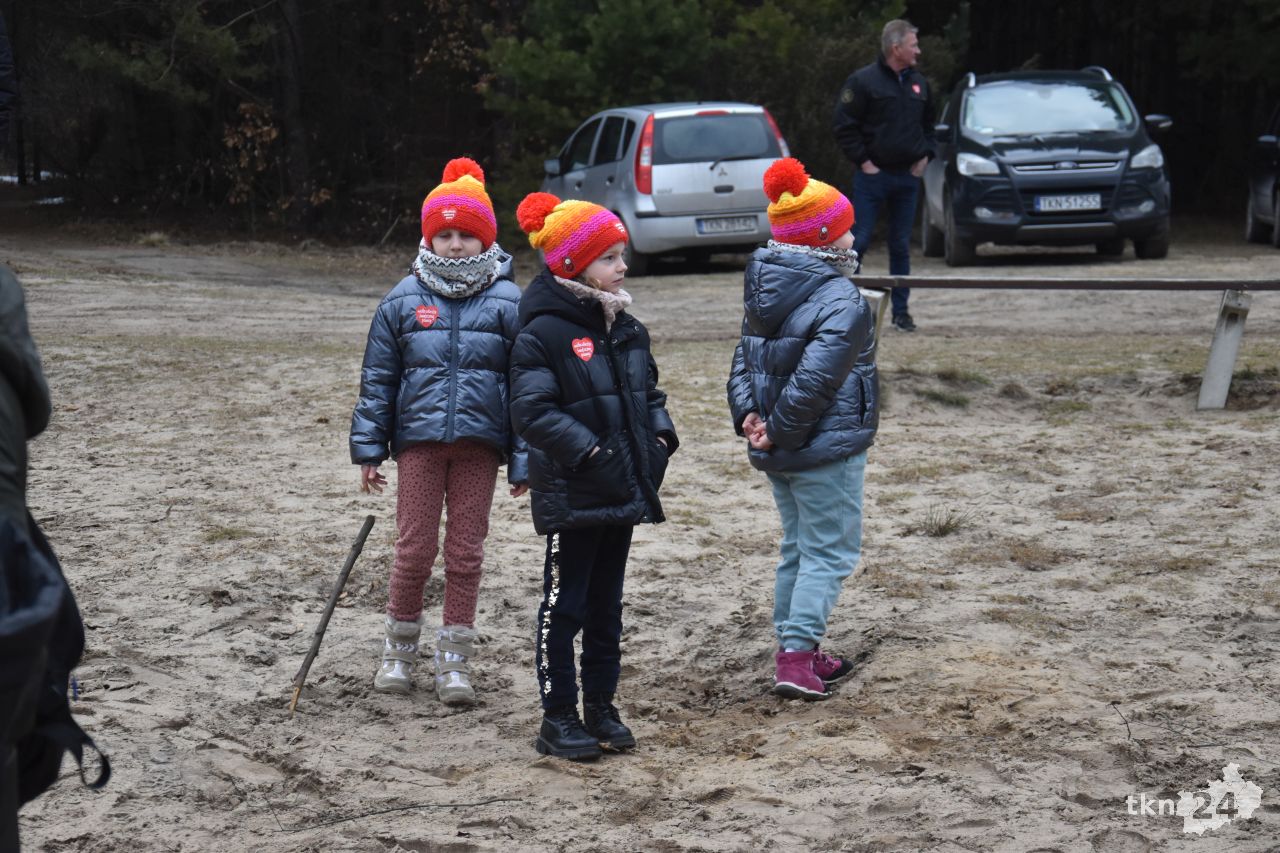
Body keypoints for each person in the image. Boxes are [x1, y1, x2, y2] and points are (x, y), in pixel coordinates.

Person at [350, 158, 527, 706]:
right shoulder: (402, 299)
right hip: (420, 446)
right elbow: (378, 379)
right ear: (428, 237)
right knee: (413, 549)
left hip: (479, 448)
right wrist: (369, 448)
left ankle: (454, 660)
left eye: (466, 235)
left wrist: (525, 459)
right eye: (444, 234)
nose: (454, 245)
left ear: (486, 238)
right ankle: (399, 650)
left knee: (466, 553)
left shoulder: (509, 302)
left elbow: (527, 385)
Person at [510, 191, 678, 760]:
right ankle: (557, 715)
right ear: (572, 265)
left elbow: (649, 395)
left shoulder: (627, 329)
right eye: (608, 257)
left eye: (620, 255)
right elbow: (532, 412)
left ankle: (601, 707)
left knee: (608, 605)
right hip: (575, 491)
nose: (621, 266)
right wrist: (592, 454)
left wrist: (660, 442)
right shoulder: (542, 332)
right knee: (566, 605)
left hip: (624, 488)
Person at [726, 157, 879, 700]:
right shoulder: (841, 299)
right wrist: (780, 430)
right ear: (825, 238)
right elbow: (815, 381)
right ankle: (795, 658)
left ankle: (798, 648)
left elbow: (743, 360)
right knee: (829, 551)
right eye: (847, 228)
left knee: (798, 546)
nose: (854, 235)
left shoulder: (766, 287)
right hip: (822, 448)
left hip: (781, 445)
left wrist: (749, 415)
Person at [833, 18, 935, 332]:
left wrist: (926, 157)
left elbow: (930, 127)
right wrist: (864, 162)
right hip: (873, 177)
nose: (918, 51)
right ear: (896, 47)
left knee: (901, 245)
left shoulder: (920, 84)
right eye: (913, 45)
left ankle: (901, 314)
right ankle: (849, 311)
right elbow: (844, 125)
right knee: (858, 241)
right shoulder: (863, 81)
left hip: (907, 178)